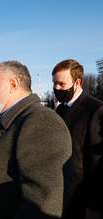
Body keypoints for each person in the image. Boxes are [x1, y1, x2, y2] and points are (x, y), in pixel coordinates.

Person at [0, 60, 72, 219]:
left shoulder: (41, 122)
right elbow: (4, 173)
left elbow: (41, 204)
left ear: (13, 84)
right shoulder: (13, 119)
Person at [52, 59, 103, 219]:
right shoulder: (60, 109)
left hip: (82, 201)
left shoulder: (96, 110)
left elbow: (98, 164)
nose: (56, 88)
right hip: (59, 195)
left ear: (77, 82)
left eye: (61, 84)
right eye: (54, 83)